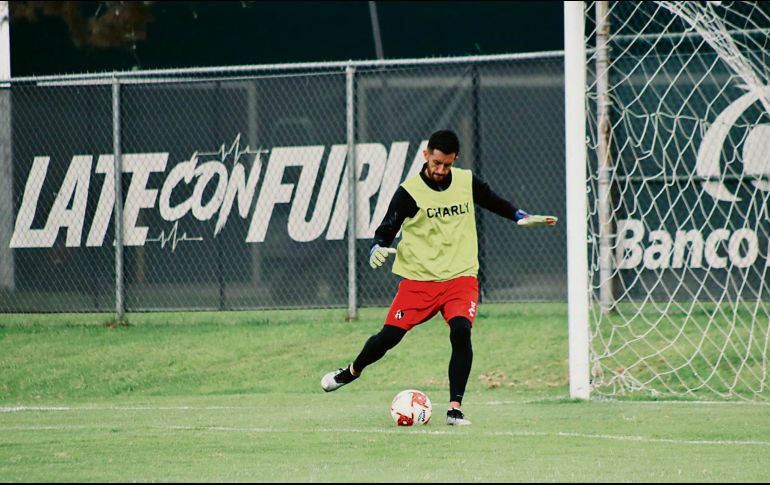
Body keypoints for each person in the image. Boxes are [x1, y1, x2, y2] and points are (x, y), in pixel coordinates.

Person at [320, 129, 556, 426]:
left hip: (460, 277)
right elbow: (385, 230)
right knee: (389, 337)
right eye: (435, 163)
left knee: (461, 331)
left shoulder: (466, 181)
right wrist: (377, 248)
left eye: (446, 164)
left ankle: (455, 409)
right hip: (419, 280)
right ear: (425, 156)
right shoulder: (409, 192)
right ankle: (350, 372)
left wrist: (520, 216)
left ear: (454, 159)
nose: (440, 170)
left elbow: (495, 201)